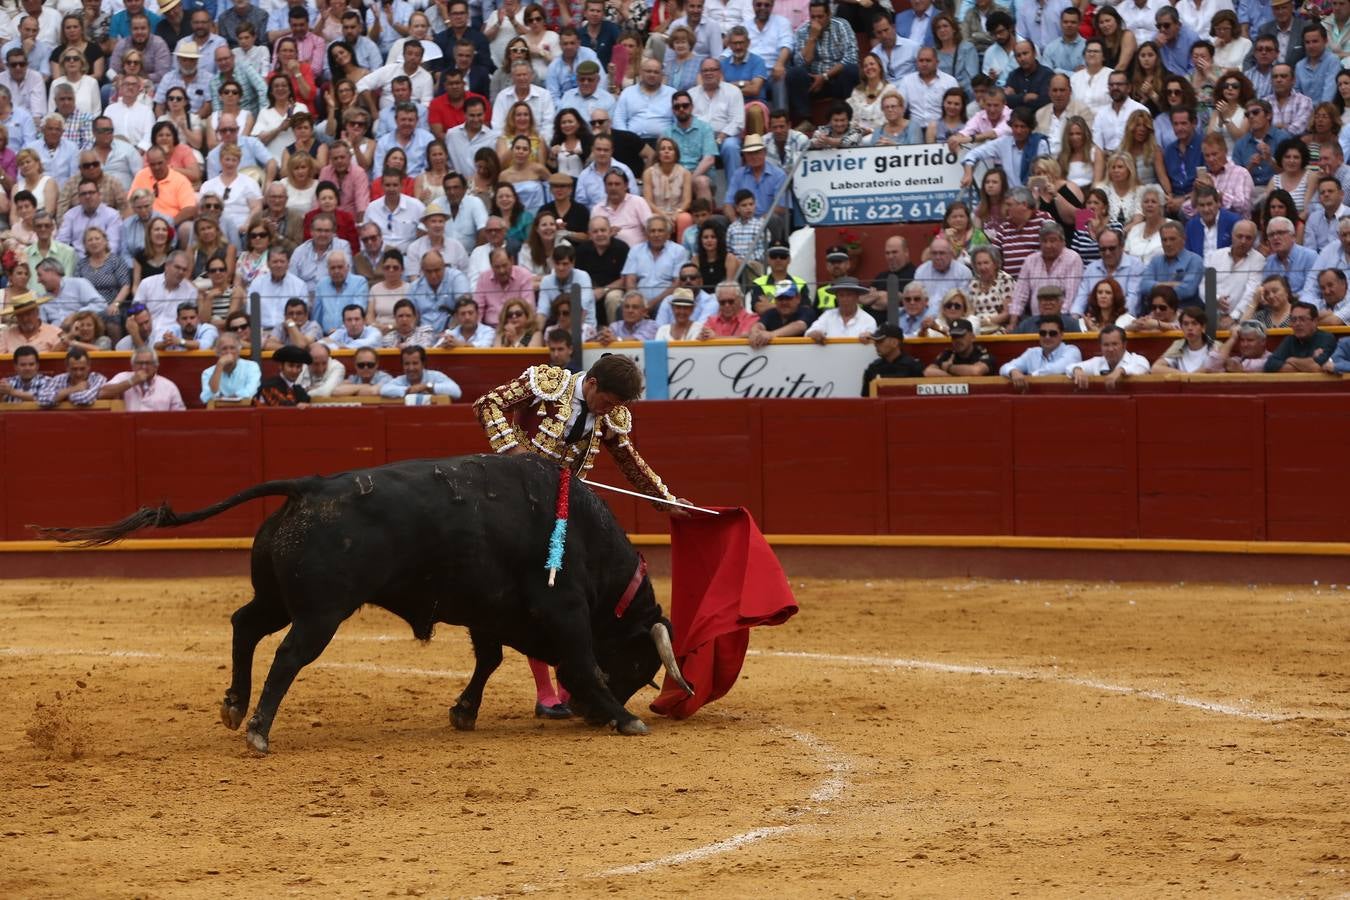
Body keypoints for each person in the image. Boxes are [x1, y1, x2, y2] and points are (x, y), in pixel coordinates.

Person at [998, 314, 1084, 390]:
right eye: (1043, 333)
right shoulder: (1032, 353)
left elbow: (1056, 369)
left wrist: (1031, 377)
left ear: (1061, 335)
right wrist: (1013, 371)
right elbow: (1004, 367)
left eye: (1052, 333)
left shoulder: (1072, 351)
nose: (1047, 337)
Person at [101, 346, 185, 411]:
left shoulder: (169, 387)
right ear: (133, 366)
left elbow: (181, 417)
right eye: (140, 363)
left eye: (148, 363)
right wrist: (132, 381)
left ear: (156, 366)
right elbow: (102, 393)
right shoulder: (123, 377)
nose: (144, 367)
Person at [1068, 325, 1151, 390]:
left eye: (1115, 344)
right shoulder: (1097, 362)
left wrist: (1120, 370)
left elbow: (1143, 367)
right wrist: (1077, 370)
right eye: (1106, 345)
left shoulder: (1137, 359)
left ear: (1124, 345)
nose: (1110, 349)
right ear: (1100, 346)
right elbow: (1069, 368)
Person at [860, 323, 922, 394]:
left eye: (880, 341)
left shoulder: (913, 367)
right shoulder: (873, 368)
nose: (876, 344)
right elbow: (866, 400)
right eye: (875, 341)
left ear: (894, 343)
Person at [35, 345, 106, 407]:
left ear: (89, 366)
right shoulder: (59, 378)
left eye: (82, 369)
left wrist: (61, 396)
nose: (79, 373)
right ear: (67, 368)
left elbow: (85, 398)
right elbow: (42, 399)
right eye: (74, 369)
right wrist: (75, 388)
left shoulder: (98, 378)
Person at [1206, 319, 1272, 371]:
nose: (1245, 344)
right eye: (1242, 340)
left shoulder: (1271, 360)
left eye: (1250, 340)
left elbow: (1236, 366)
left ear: (1263, 341)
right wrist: (1233, 338)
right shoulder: (1238, 359)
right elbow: (1211, 366)